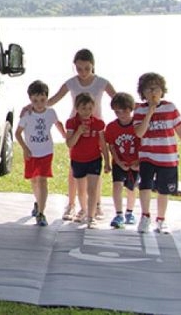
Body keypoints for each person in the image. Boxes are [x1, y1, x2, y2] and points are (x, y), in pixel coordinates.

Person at [30, 48, 116, 222]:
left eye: (87, 68)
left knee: (95, 166)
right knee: (74, 166)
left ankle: (96, 204)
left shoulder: (102, 82)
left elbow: (118, 99)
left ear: (93, 65)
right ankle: (71, 204)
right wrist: (31, 107)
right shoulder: (71, 83)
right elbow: (52, 100)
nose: (83, 72)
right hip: (75, 126)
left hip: (95, 127)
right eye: (79, 69)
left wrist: (141, 108)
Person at [133, 72, 181, 234]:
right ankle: (145, 216)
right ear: (142, 93)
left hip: (167, 156)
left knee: (164, 190)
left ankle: (161, 219)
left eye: (156, 88)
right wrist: (150, 112)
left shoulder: (170, 107)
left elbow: (180, 130)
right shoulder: (140, 110)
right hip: (147, 155)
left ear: (162, 90)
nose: (152, 92)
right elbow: (139, 133)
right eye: (148, 89)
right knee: (145, 186)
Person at [15, 80, 66, 226]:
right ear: (30, 100)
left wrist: (65, 136)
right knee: (34, 180)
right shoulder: (27, 114)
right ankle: (38, 202)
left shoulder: (51, 112)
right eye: (35, 100)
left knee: (43, 180)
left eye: (42, 100)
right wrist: (25, 148)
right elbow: (18, 133)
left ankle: (41, 213)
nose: (39, 104)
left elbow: (58, 123)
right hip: (31, 153)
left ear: (47, 98)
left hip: (46, 151)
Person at [65, 92, 110, 229]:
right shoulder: (72, 123)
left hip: (94, 159)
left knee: (92, 189)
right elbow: (69, 143)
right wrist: (78, 132)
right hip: (78, 160)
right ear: (77, 108)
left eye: (90, 108)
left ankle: (91, 216)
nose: (87, 112)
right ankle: (84, 210)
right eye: (83, 108)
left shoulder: (98, 123)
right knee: (81, 190)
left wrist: (107, 161)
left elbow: (103, 144)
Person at [104, 92, 139, 229]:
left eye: (124, 111)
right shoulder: (111, 127)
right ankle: (119, 214)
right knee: (117, 186)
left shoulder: (137, 125)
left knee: (131, 188)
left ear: (131, 109)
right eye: (117, 112)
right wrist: (117, 162)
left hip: (134, 163)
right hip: (119, 162)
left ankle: (129, 212)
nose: (121, 115)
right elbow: (111, 146)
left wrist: (138, 162)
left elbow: (143, 144)